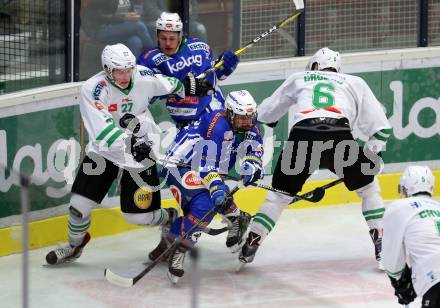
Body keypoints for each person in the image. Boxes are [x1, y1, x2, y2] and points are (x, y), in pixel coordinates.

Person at [45, 43, 213, 265]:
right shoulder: (93, 89)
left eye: (128, 69)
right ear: (107, 69)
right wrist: (129, 142)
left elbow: (167, 83)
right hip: (105, 152)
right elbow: (102, 131)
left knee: (138, 217)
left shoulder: (142, 75)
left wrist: (186, 86)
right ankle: (74, 246)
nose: (125, 76)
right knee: (78, 207)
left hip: (140, 156)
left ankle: (171, 217)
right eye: (119, 71)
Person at [238, 47, 393, 270]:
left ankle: (251, 243)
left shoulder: (299, 77)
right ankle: (381, 245)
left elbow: (264, 114)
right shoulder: (354, 82)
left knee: (278, 197)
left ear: (314, 66)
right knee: (368, 188)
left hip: (303, 137)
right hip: (338, 137)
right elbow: (381, 130)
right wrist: (371, 155)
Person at [137, 12, 247, 259]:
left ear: (180, 35)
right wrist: (176, 84)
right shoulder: (148, 59)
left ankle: (180, 236)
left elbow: (213, 79)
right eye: (163, 38)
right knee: (177, 174)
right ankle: (233, 215)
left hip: (213, 119)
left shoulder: (199, 48)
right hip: (185, 125)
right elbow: (146, 92)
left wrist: (225, 66)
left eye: (172, 37)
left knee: (202, 177)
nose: (167, 42)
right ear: (157, 36)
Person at [161, 90, 264, 283]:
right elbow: (205, 165)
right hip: (179, 166)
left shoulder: (251, 127)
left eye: (249, 117)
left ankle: (234, 217)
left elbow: (254, 151)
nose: (246, 122)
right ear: (229, 113)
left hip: (206, 169)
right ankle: (181, 247)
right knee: (206, 204)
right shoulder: (216, 125)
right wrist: (217, 187)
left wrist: (252, 167)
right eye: (241, 118)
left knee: (212, 199)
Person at [382, 165, 440, 307]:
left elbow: (391, 262)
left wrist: (400, 282)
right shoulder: (438, 208)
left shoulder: (398, 208)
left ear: (405, 186)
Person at [81, 0, 154, 57]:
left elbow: (131, 10)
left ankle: (134, 72)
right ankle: (155, 57)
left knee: (135, 41)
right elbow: (99, 17)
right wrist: (124, 17)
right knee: (139, 26)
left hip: (121, 28)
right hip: (101, 29)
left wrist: (132, 14)